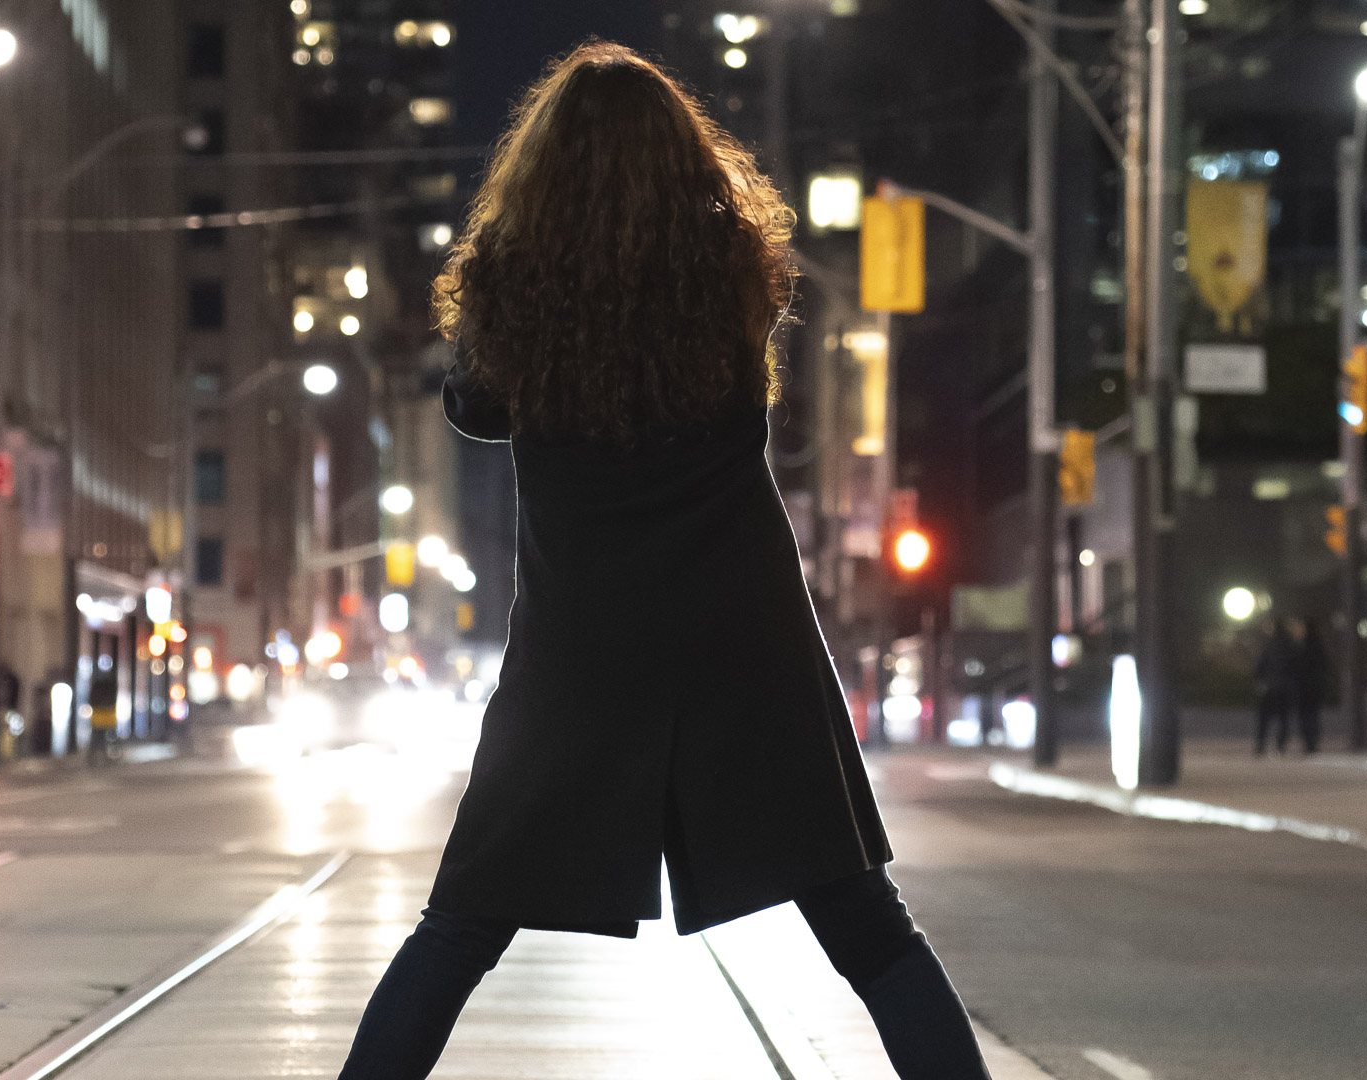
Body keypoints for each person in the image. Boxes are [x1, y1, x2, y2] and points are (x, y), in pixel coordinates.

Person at [335, 42, 991, 1080]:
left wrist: (513, 294)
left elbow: (471, 408)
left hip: (584, 652)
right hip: (746, 638)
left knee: (459, 930)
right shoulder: (733, 277)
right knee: (870, 929)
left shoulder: (516, 293)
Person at [1253, 617, 1296, 755]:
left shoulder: (1270, 645)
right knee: (1283, 719)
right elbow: (1295, 667)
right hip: (1283, 688)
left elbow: (1261, 665)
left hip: (1271, 688)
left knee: (1264, 719)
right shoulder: (1290, 645)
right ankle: (1280, 745)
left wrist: (1259, 680)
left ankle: (1261, 745)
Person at [1293, 617, 1329, 753]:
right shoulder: (1317, 646)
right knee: (1312, 717)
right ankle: (1311, 743)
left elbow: (1297, 669)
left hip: (1306, 689)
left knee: (1307, 717)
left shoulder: (1302, 647)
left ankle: (1310, 743)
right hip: (1313, 689)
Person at [84, 666, 118, 766]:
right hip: (106, 715)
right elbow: (112, 700)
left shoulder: (97, 686)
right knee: (105, 736)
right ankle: (102, 754)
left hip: (99, 715)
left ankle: (95, 755)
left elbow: (91, 699)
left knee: (97, 736)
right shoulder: (110, 686)